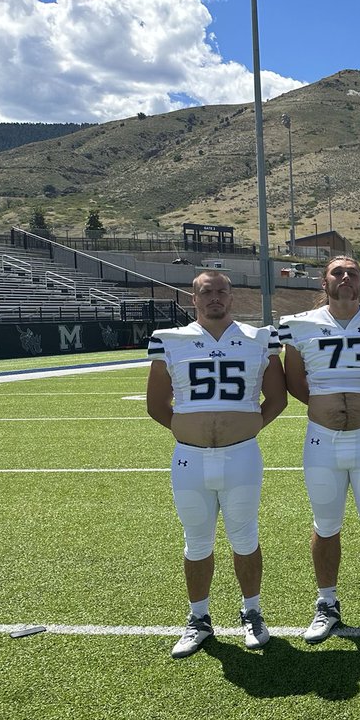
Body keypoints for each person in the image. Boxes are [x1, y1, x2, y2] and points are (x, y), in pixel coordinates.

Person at [146, 270, 287, 658]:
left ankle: (253, 612)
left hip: (241, 454)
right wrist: (187, 430)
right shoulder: (169, 340)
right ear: (194, 299)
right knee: (196, 542)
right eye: (206, 292)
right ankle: (199, 619)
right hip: (190, 458)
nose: (214, 298)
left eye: (221, 292)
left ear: (232, 297)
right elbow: (157, 405)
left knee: (245, 538)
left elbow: (277, 399)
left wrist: (249, 424)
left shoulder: (259, 338)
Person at [279, 256, 360, 643]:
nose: (345, 278)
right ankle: (326, 604)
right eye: (337, 272)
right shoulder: (300, 324)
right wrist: (328, 407)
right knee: (325, 524)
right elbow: (294, 383)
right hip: (322, 438)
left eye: (352, 273)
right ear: (325, 281)